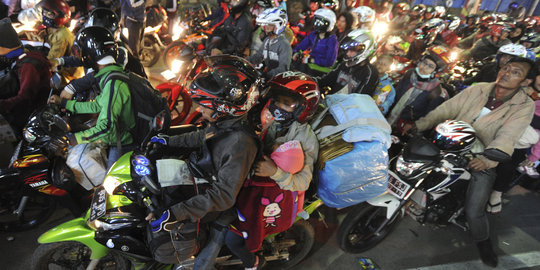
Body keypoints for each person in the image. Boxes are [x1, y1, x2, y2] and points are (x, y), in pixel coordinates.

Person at [402, 56, 537, 268]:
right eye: (506, 68)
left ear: (526, 82)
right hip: (448, 141)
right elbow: (447, 109)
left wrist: (488, 159)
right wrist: (420, 125)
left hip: (481, 156)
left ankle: (484, 245)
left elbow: (509, 135)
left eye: (516, 72)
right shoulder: (479, 88)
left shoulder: (524, 106)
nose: (506, 73)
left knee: (475, 210)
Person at [145, 55, 260, 269]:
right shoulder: (225, 124)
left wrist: (177, 213)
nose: (198, 110)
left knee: (200, 264)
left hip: (219, 207)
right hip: (199, 178)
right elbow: (202, 137)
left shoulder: (240, 143)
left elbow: (224, 196)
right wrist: (167, 141)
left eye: (204, 106)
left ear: (224, 108)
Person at [225, 71, 320, 270]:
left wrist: (274, 172)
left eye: (286, 103)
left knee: (231, 237)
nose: (278, 107)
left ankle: (253, 263)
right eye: (276, 100)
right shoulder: (276, 123)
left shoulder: (306, 139)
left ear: (303, 108)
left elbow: (302, 182)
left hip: (275, 196)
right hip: (252, 183)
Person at [48, 26, 135, 168]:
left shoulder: (113, 84)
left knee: (109, 186)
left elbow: (105, 128)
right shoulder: (110, 76)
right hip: (117, 136)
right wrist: (65, 103)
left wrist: (74, 139)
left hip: (124, 143)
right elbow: (97, 105)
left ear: (89, 54)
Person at [0, 17, 51, 136]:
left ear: (3, 47)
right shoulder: (22, 53)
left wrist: (2, 105)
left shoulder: (29, 66)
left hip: (27, 118)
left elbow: (25, 98)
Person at [388, 45, 450, 134]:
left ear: (436, 72)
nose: (424, 67)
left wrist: (413, 126)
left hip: (401, 131)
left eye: (430, 66)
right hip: (386, 119)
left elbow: (428, 118)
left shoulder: (435, 93)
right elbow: (394, 95)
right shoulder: (409, 74)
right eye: (424, 62)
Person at [318, 28, 378, 95]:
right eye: (348, 50)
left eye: (352, 50)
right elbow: (326, 81)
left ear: (365, 51)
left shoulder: (369, 72)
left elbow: (360, 98)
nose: (347, 53)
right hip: (330, 102)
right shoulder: (345, 64)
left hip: (346, 105)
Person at [40, 0, 84, 83]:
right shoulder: (54, 30)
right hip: (63, 65)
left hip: (69, 75)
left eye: (49, 14)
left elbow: (51, 61)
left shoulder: (61, 37)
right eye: (44, 12)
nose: (45, 16)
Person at [247, 7, 292, 80]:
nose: (266, 27)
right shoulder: (267, 41)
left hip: (279, 81)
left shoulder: (284, 44)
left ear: (278, 25)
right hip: (268, 78)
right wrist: (244, 61)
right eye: (266, 24)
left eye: (270, 24)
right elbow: (257, 56)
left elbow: (283, 68)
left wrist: (266, 75)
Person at [292, 8, 338, 76]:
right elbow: (302, 46)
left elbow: (330, 62)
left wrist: (312, 60)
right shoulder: (313, 34)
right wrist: (295, 52)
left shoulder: (332, 40)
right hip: (311, 66)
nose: (317, 24)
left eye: (321, 22)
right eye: (316, 21)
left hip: (322, 71)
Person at [464, 43, 529, 85]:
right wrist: (458, 82)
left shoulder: (518, 79)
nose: (505, 60)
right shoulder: (489, 68)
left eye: (510, 58)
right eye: (504, 56)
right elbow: (474, 79)